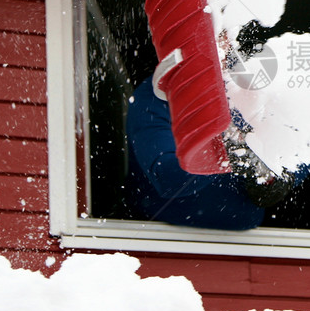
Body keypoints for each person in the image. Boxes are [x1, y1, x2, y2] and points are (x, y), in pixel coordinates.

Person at [123, 76, 299, 230]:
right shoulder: (154, 97)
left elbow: (300, 150)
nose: (220, 47)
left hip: (247, 243)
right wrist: (224, 155)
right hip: (158, 240)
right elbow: (167, 178)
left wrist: (279, 176)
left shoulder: (256, 91)